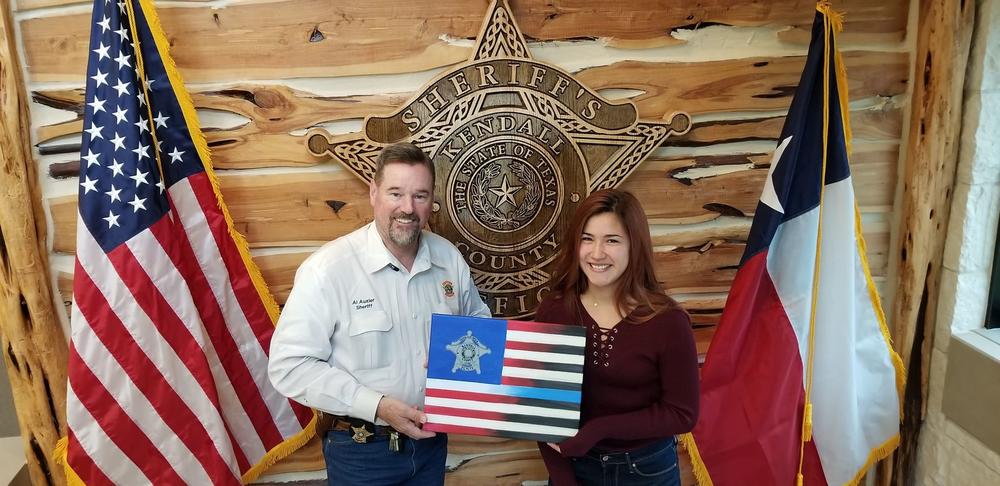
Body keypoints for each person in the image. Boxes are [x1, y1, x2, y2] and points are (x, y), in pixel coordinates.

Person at [268, 142, 491, 485]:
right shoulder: (328, 269)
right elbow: (290, 366)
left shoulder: (448, 259)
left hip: (431, 445)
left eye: (420, 195)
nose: (407, 208)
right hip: (361, 451)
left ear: (432, 200)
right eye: (395, 193)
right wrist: (377, 405)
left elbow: (479, 328)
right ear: (373, 193)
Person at [534, 189, 699, 486]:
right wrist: (564, 481)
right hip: (574, 468)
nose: (597, 253)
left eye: (611, 240)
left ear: (634, 246)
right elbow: (541, 411)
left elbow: (682, 413)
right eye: (587, 238)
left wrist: (599, 429)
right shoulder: (554, 311)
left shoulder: (668, 320)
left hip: (647, 471)